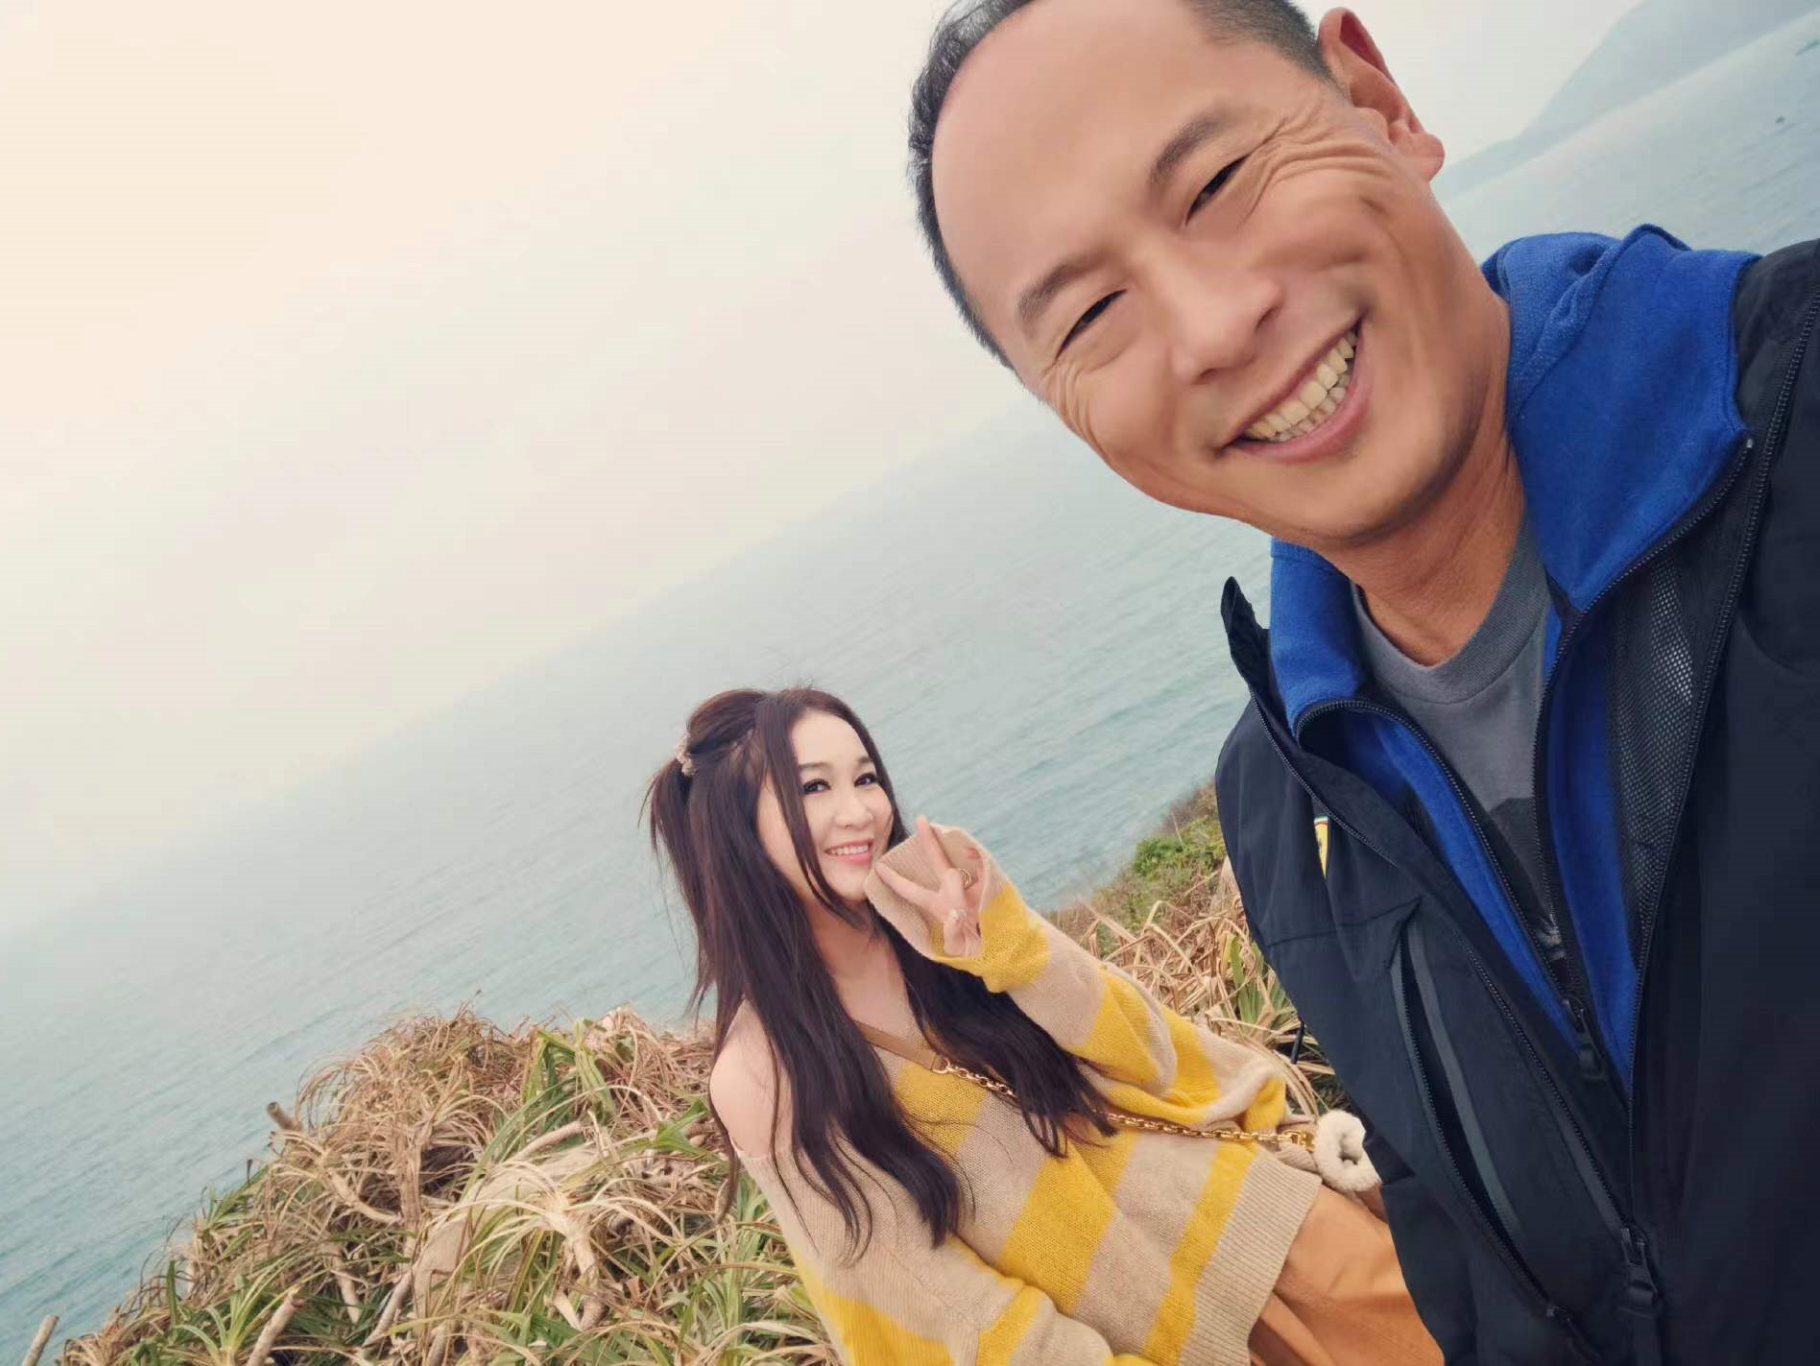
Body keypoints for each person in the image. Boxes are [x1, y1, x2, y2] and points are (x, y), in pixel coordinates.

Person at [905, 0, 1820, 1362]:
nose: (1213, 327)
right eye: (1092, 314)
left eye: (1218, 181)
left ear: (1379, 105)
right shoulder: (1290, 810)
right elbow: (1483, 1281)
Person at [646, 686, 1441, 1366]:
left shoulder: (937, 919)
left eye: (865, 777)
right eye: (814, 788)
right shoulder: (765, 1076)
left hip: (1274, 1232)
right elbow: (936, 1303)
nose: (859, 811)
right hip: (1160, 1341)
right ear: (735, 830)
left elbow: (1147, 1053)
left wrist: (1009, 945)